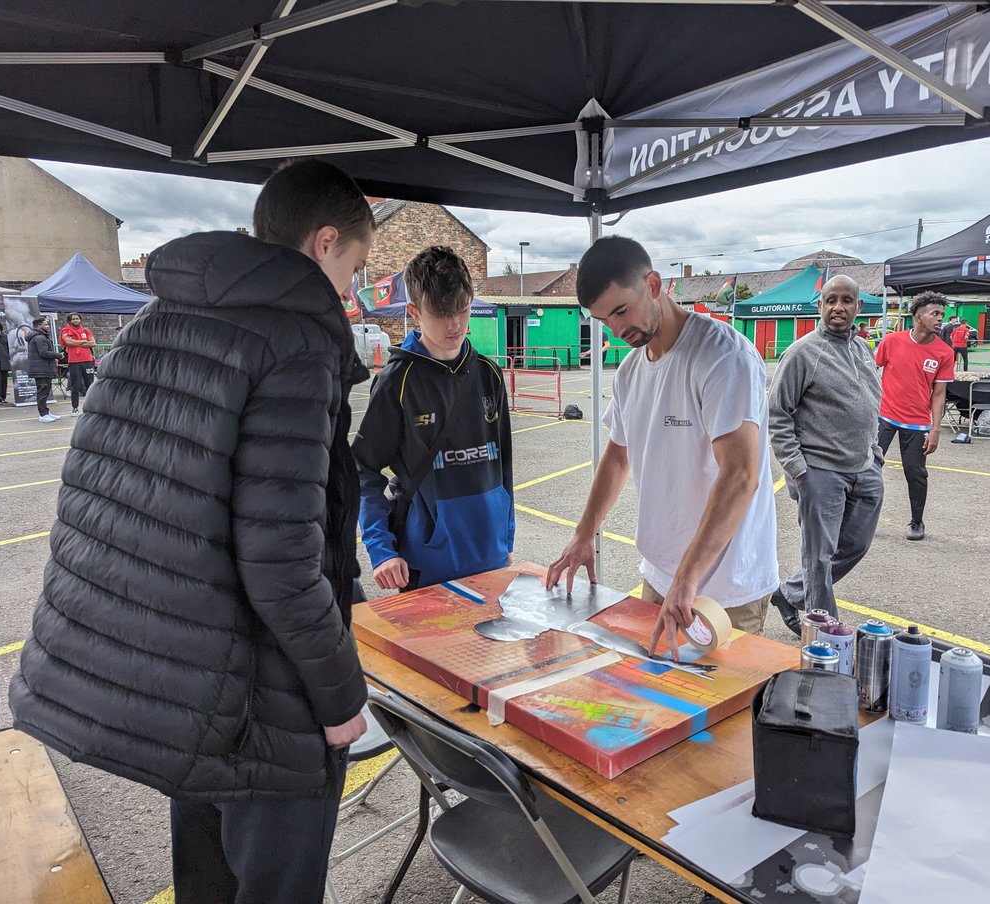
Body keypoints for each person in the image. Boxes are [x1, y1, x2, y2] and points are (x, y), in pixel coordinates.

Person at [10, 159, 373, 904]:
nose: (353, 291)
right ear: (325, 241)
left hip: (190, 688)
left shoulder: (159, 317)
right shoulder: (297, 341)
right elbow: (281, 559)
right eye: (356, 267)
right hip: (259, 695)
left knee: (204, 880)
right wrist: (341, 701)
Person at [545, 236, 778, 659]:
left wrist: (687, 579)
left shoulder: (722, 357)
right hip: (661, 576)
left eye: (621, 310)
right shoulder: (631, 370)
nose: (617, 330)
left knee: (712, 716)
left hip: (724, 587)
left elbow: (741, 476)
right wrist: (583, 534)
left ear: (653, 284)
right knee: (649, 705)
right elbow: (618, 457)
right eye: (603, 321)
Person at [353, 246, 514, 592]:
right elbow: (363, 470)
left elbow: (504, 465)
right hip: (427, 569)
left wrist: (507, 536)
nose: (455, 323)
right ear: (414, 311)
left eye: (462, 309)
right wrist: (381, 551)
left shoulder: (490, 374)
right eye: (441, 313)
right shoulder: (396, 380)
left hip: (492, 560)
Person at [767, 276, 883, 634]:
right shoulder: (803, 353)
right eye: (831, 300)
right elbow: (777, 413)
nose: (838, 307)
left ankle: (789, 593)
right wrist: (799, 470)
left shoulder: (863, 350)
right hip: (819, 471)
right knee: (818, 557)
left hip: (863, 467)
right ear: (819, 306)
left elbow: (870, 404)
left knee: (856, 545)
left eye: (847, 300)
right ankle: (823, 633)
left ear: (858, 307)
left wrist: (875, 454)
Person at [874, 292, 953, 542]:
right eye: (935, 314)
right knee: (867, 467)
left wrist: (935, 429)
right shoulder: (891, 341)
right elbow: (871, 373)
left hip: (918, 422)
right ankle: (858, 518)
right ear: (918, 317)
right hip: (883, 417)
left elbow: (939, 394)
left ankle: (917, 521)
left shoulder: (944, 353)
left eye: (942, 314)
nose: (940, 319)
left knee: (915, 473)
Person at [25, 316, 62, 422]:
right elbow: (44, 352)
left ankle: (46, 411)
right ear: (39, 325)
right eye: (45, 324)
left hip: (44, 368)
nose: (48, 326)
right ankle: (43, 414)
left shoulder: (41, 336)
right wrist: (58, 355)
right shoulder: (39, 337)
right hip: (40, 369)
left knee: (45, 391)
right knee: (42, 391)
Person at [59, 313, 96, 416]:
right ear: (69, 321)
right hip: (74, 362)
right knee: (75, 385)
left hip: (87, 360)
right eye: (73, 319)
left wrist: (78, 342)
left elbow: (93, 343)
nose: (76, 320)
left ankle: (92, 408)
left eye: (77, 318)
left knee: (90, 385)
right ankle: (75, 408)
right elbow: (69, 342)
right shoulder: (65, 331)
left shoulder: (86, 330)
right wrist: (84, 341)